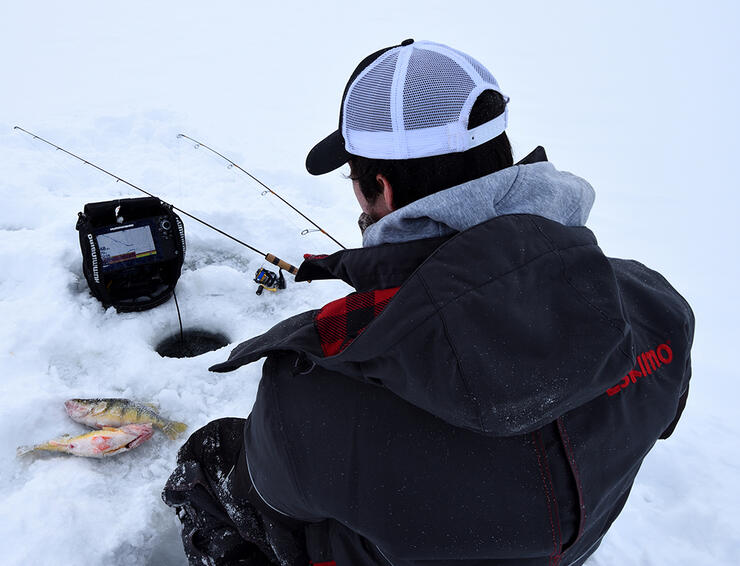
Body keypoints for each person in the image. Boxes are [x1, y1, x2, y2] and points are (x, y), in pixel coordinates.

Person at [163, 39, 695, 566]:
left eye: (354, 178)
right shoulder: (655, 306)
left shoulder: (312, 390)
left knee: (210, 464)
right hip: (566, 545)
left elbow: (273, 496)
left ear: (384, 190)